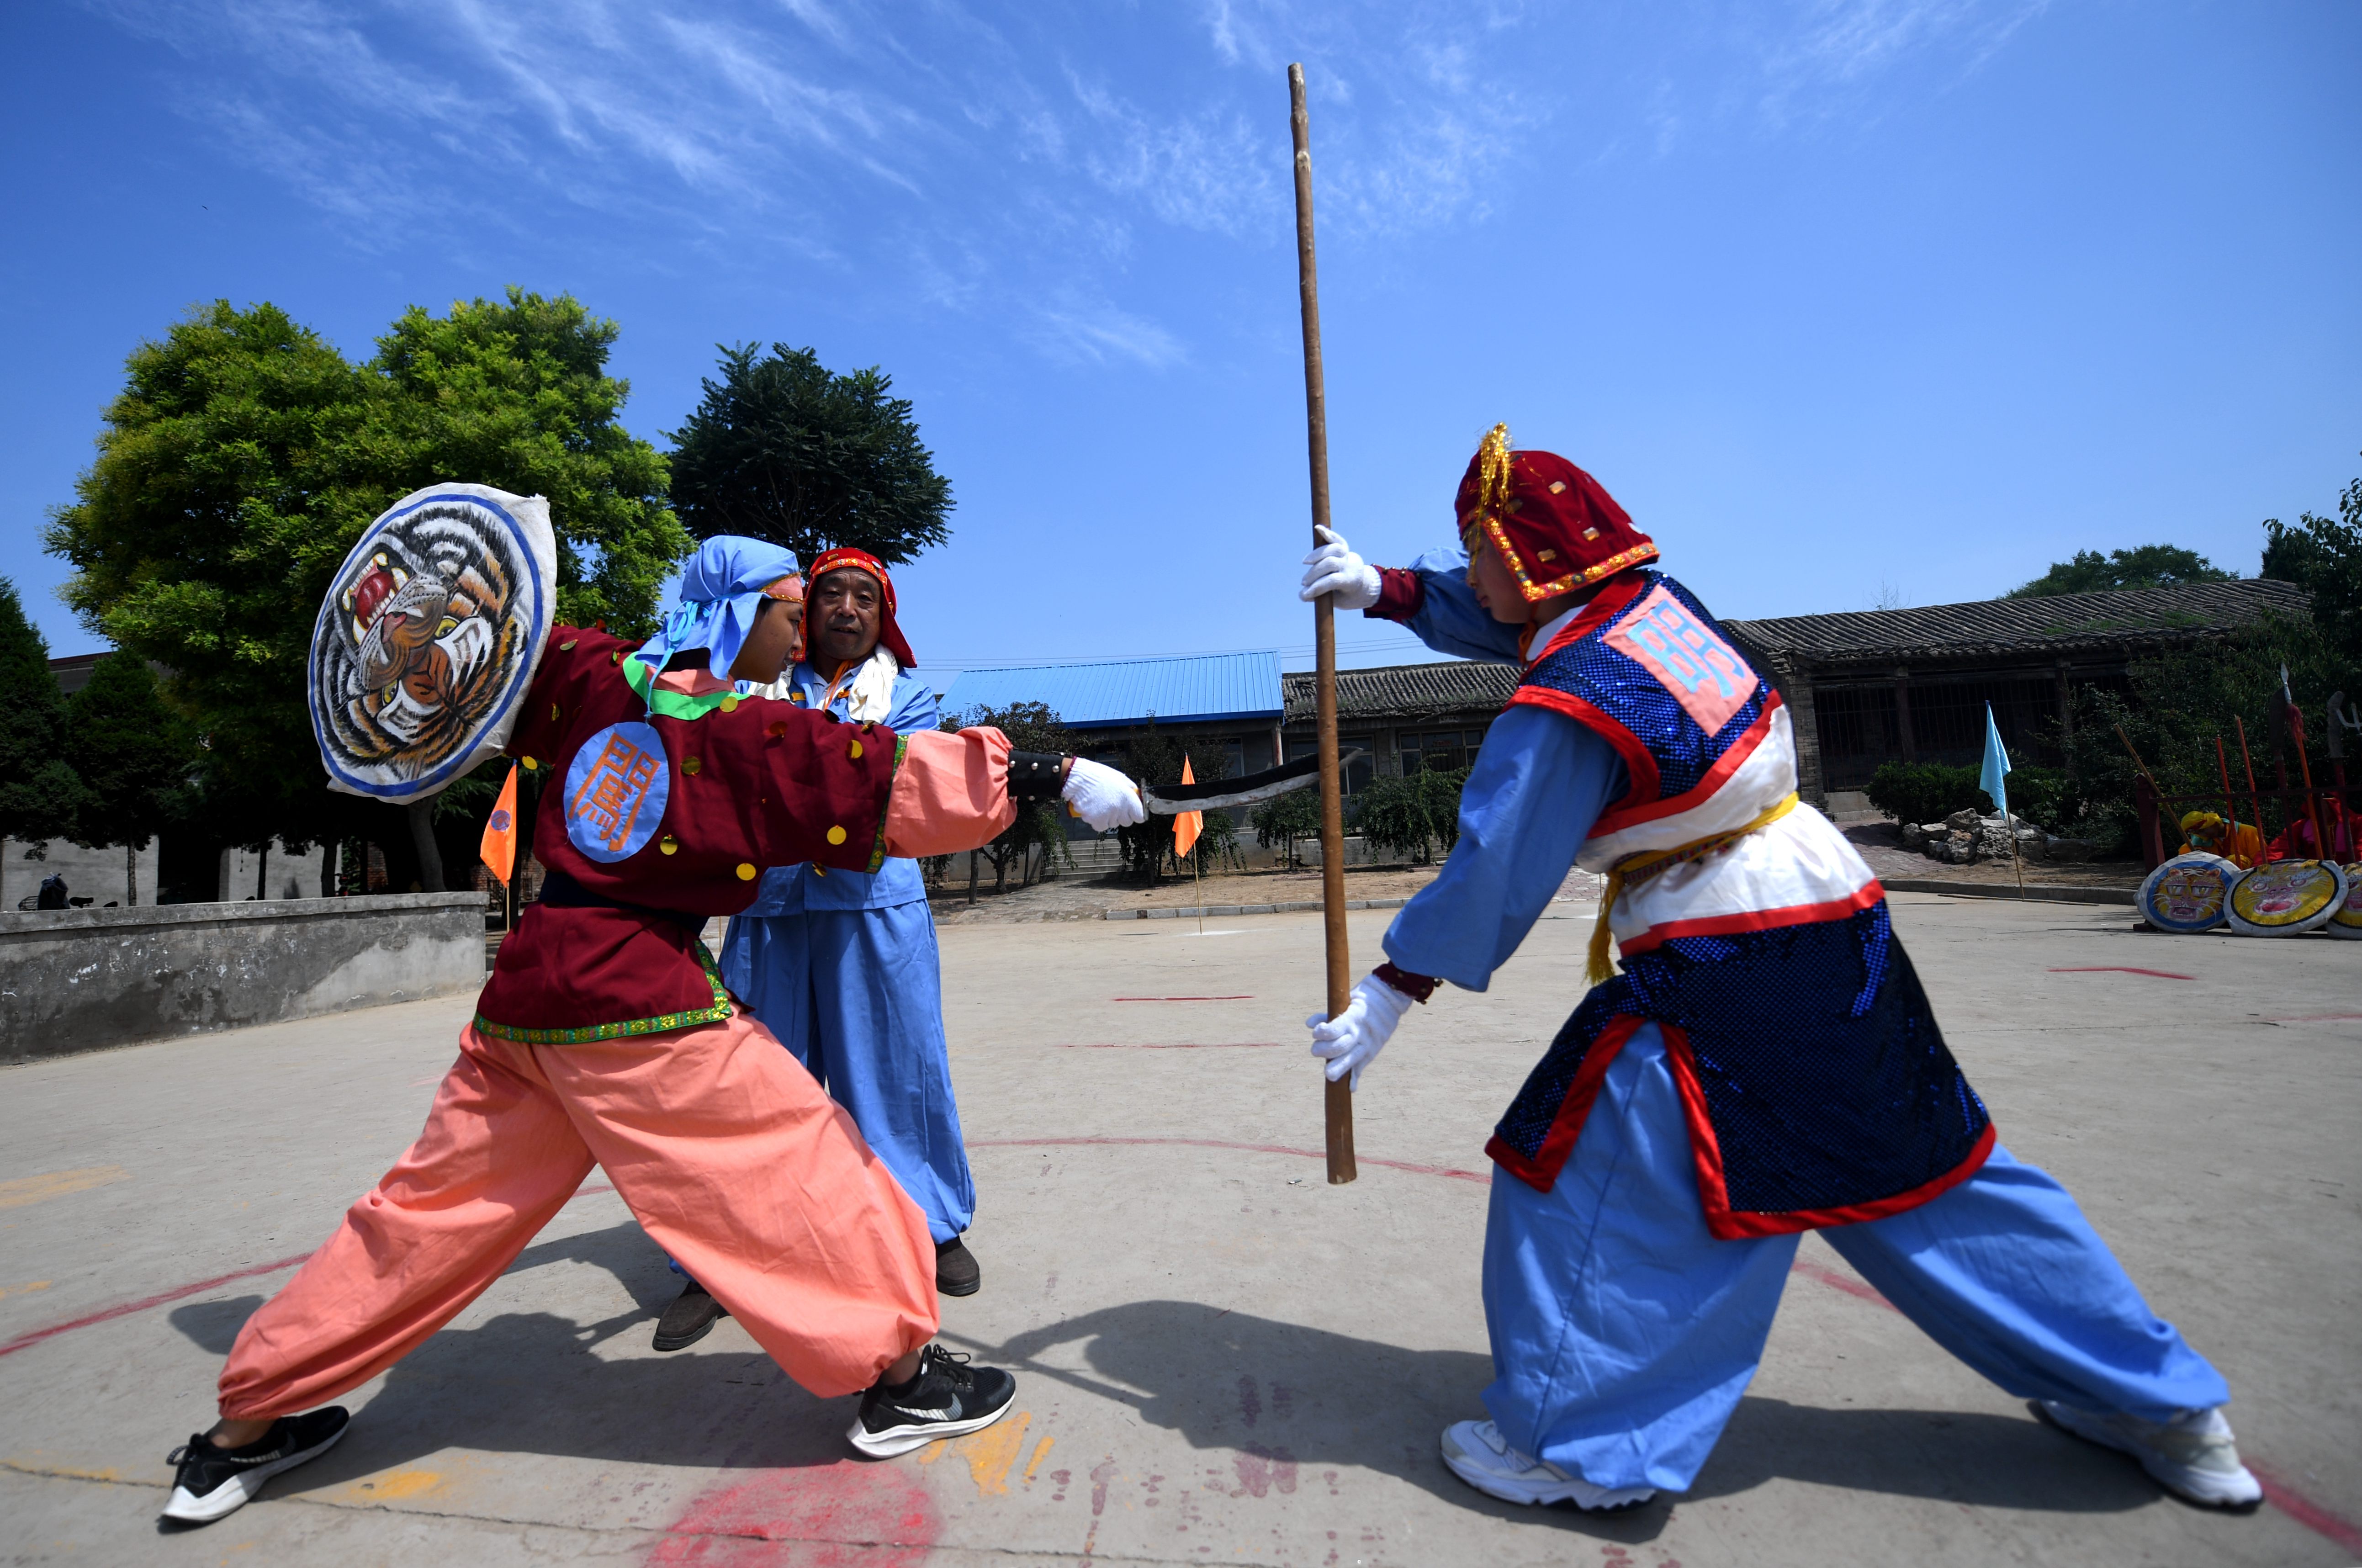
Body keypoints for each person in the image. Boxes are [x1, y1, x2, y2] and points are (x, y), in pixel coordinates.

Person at [1293, 427, 2260, 1515]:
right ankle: (2160, 1404)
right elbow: (1517, 614)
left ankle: (1575, 1441)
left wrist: (1390, 992)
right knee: (1922, 1172)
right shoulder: (1661, 606)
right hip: (1832, 919)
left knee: (1593, 1179)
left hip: (1725, 963)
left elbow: (1495, 869)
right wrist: (1390, 590)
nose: (1468, 574)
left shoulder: (1563, 703)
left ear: (1524, 563)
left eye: (1478, 553)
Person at [160, 536, 1147, 1526]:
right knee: (814, 1171)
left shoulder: (591, 674)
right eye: (791, 611)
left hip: (527, 1001)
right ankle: (901, 1381)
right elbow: (873, 778)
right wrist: (1047, 773)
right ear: (743, 616)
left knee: (417, 1220)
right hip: (641, 1006)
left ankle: (245, 1424)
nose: (804, 629)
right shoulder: (740, 735)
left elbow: (495, 642)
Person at [652, 547, 981, 1356]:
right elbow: (739, 775)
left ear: (884, 616)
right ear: (801, 612)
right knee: (748, 1089)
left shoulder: (908, 699)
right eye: (827, 593)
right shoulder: (751, 683)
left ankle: (930, 1223)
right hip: (768, 912)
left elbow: (888, 787)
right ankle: (717, 1264)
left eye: (863, 597)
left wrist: (789, 782)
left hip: (875, 911)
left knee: (900, 1076)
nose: (843, 608)